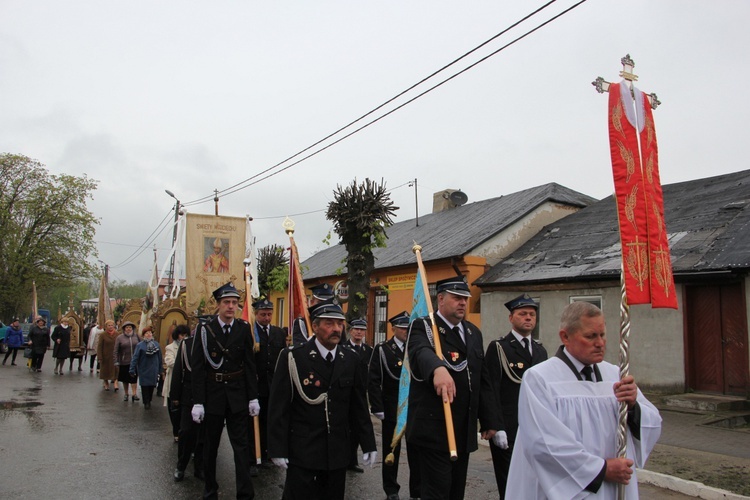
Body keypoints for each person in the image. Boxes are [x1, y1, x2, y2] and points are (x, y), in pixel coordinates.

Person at [506, 301, 662, 499]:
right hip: (570, 487)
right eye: (590, 336)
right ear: (565, 336)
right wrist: (601, 469)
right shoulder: (540, 378)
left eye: (602, 334)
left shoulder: (615, 374)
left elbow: (653, 422)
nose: (600, 343)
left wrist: (633, 406)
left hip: (614, 487)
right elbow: (544, 443)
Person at [268, 301, 377, 500]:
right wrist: (277, 448)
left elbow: (358, 406)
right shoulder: (294, 357)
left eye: (339, 324)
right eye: (329, 323)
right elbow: (279, 407)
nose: (336, 329)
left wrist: (368, 442)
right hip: (303, 449)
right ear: (315, 326)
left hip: (337, 451)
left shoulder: (351, 359)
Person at [407, 275, 499, 500]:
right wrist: (438, 368)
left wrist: (490, 419)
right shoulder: (424, 327)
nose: (463, 303)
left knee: (456, 491)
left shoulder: (472, 333)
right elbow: (420, 352)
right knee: (438, 491)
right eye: (457, 298)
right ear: (440, 299)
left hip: (463, 428)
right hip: (435, 428)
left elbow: (482, 379)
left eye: (465, 299)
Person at [190, 282, 260, 500]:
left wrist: (253, 397)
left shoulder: (243, 328)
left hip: (238, 395)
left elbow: (249, 365)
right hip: (213, 395)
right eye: (226, 302)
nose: (231, 307)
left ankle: (245, 493)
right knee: (210, 447)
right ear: (218, 305)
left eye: (234, 303)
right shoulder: (205, 329)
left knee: (241, 448)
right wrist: (198, 401)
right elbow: (198, 368)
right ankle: (210, 490)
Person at [485, 293, 548, 498]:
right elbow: (490, 389)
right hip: (509, 427)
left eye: (532, 314)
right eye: (522, 314)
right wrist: (496, 426)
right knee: (510, 484)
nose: (528, 318)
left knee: (534, 482)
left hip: (535, 427)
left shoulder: (540, 351)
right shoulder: (499, 348)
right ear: (511, 318)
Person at [368, 310, 421, 500]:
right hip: (391, 407)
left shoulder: (415, 348)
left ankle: (417, 489)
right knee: (391, 452)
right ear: (393, 328)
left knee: (416, 451)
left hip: (413, 408)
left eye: (408, 328)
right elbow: (373, 380)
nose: (406, 331)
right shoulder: (383, 349)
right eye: (402, 328)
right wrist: (377, 407)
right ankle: (391, 489)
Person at [251, 299, 287, 464]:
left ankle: (269, 452)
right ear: (256, 314)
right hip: (257, 384)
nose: (266, 318)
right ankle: (255, 454)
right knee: (255, 420)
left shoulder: (278, 333)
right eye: (263, 314)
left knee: (271, 419)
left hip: (273, 384)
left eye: (269, 314)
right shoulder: (251, 332)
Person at [170, 327, 205, 482]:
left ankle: (200, 467)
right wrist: (175, 395)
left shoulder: (214, 343)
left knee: (203, 435)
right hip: (188, 393)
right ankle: (181, 465)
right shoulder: (187, 344)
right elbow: (178, 369)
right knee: (186, 432)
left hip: (208, 393)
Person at [341, 317, 373, 473]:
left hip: (362, 394)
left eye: (362, 330)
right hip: (347, 393)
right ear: (350, 331)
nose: (359, 332)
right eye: (356, 329)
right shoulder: (343, 348)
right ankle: (344, 459)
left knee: (357, 427)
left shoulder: (369, 351)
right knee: (345, 427)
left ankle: (352, 460)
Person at [164, 324, 189, 441]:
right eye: (181, 335)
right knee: (173, 408)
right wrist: (183, 364)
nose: (184, 337)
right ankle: (176, 432)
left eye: (186, 335)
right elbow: (169, 362)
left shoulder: (189, 347)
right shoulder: (170, 347)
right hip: (173, 381)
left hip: (186, 382)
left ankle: (183, 430)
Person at [129, 326, 162, 409]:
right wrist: (132, 369)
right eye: (146, 333)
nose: (149, 334)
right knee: (145, 386)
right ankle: (146, 402)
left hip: (153, 369)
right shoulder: (140, 345)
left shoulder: (156, 344)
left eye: (150, 333)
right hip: (144, 368)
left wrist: (160, 370)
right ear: (143, 335)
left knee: (152, 386)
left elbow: (160, 357)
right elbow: (135, 357)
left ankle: (149, 399)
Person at [114, 321, 141, 401]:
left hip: (135, 362)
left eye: (130, 327)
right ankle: (126, 393)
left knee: (134, 378)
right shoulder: (120, 338)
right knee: (125, 379)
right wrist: (116, 361)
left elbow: (141, 345)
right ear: (124, 329)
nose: (128, 329)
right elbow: (115, 350)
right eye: (127, 327)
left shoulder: (136, 336)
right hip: (124, 361)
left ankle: (134, 393)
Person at [96, 320, 118, 390]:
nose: (111, 327)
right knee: (105, 370)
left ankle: (115, 382)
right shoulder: (103, 335)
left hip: (115, 355)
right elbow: (99, 346)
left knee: (116, 369)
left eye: (112, 325)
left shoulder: (117, 334)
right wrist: (100, 356)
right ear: (106, 326)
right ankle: (106, 382)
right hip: (105, 355)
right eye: (109, 325)